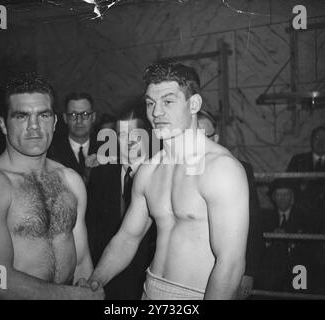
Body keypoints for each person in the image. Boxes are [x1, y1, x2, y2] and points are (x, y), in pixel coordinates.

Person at [88, 62, 249, 300]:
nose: (156, 112)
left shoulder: (221, 169)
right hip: (150, 289)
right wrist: (94, 281)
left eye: (168, 101)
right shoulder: (149, 170)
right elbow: (127, 238)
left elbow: (231, 264)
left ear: (193, 104)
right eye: (151, 103)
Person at [0, 73, 103, 300]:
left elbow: (82, 260)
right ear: (3, 124)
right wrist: (73, 296)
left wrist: (87, 291)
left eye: (44, 115)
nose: (34, 126)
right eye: (21, 116)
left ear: (56, 122)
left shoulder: (70, 180)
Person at [87, 109, 156, 299]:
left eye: (136, 134)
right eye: (123, 135)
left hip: (147, 277)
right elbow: (92, 226)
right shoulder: (101, 173)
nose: (129, 141)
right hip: (109, 276)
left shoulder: (159, 174)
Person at [197, 109, 264, 300]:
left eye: (206, 137)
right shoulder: (178, 170)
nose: (200, 144)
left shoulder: (239, 169)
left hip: (227, 271)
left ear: (216, 138)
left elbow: (253, 223)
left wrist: (249, 271)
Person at [258, 179, 313, 292]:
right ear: (273, 198)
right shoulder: (265, 218)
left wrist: (289, 238)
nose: (282, 198)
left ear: (292, 198)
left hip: (297, 267)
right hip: (272, 268)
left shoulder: (303, 218)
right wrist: (271, 238)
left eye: (286, 194)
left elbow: (309, 248)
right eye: (278, 194)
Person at [286, 126, 325, 232]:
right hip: (300, 218)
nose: (321, 142)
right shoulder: (298, 160)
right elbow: (287, 185)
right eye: (317, 138)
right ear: (311, 140)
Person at [48, 92, 98, 185]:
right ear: (65, 118)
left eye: (85, 114)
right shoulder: (51, 151)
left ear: (93, 117)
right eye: (73, 115)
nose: (79, 121)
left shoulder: (105, 150)